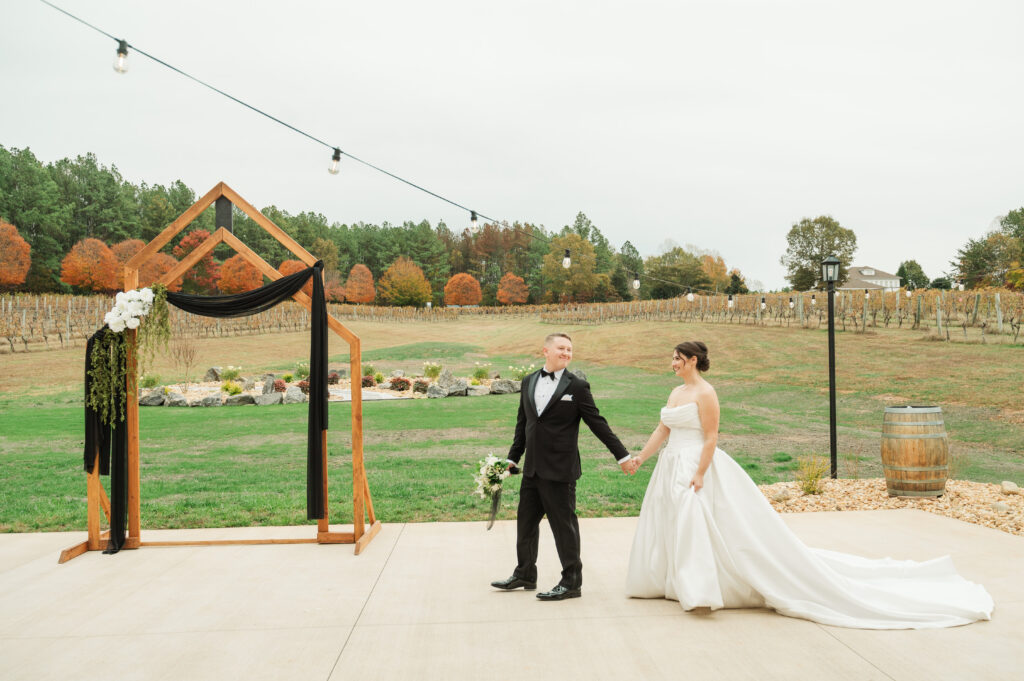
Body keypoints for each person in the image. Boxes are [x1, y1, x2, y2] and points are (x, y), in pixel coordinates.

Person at [625, 341, 994, 629]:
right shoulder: (675, 394)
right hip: (670, 464)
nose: (672, 363)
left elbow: (711, 437)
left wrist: (701, 472)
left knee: (697, 524)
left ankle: (700, 589)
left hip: (696, 465)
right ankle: (672, 581)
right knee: (672, 522)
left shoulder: (706, 393)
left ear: (691, 360)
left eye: (676, 358)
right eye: (672, 358)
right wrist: (643, 456)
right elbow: (664, 428)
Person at [491, 333, 636, 601]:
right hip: (532, 469)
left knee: (564, 528)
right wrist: (513, 458)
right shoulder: (529, 381)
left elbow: (598, 423)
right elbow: (523, 425)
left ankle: (571, 582)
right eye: (561, 348)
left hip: (560, 471)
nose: (566, 353)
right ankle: (525, 573)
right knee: (525, 525)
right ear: (545, 350)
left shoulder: (578, 387)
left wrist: (622, 456)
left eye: (569, 349)